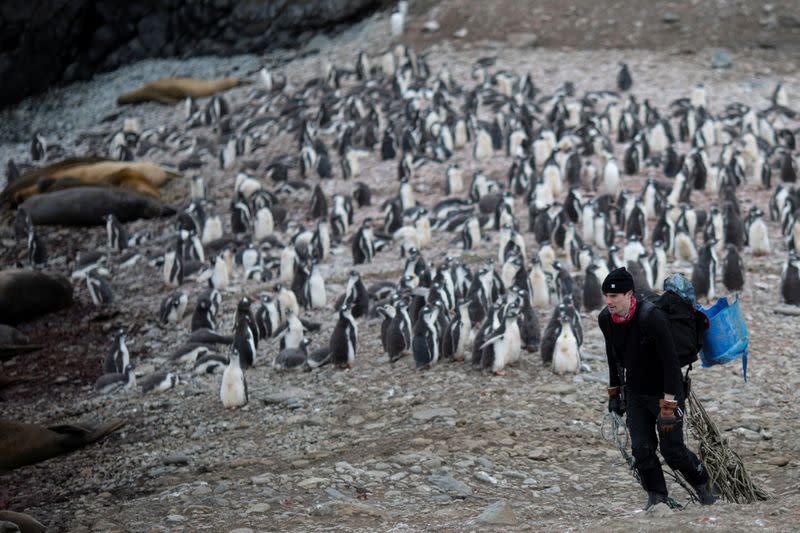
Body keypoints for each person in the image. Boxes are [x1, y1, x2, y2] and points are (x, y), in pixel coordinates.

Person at [598, 267, 716, 509]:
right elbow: (613, 357)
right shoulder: (606, 319)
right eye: (606, 296)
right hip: (636, 392)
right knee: (642, 450)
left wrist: (669, 406)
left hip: (665, 390)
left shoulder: (651, 317)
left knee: (672, 450)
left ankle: (705, 487)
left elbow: (672, 364)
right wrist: (614, 393)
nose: (609, 302)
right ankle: (657, 497)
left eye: (614, 297)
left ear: (628, 294)